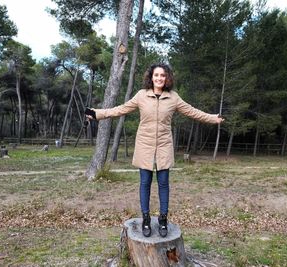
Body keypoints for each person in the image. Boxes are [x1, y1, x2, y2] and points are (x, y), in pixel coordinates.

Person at [86, 62, 224, 238]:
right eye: (156, 75)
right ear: (151, 77)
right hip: (144, 144)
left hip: (164, 145)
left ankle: (163, 220)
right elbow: (121, 109)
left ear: (167, 78)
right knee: (145, 183)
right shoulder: (141, 95)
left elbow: (192, 112)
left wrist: (213, 118)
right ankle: (145, 219)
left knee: (164, 183)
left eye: (163, 75)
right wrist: (97, 113)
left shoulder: (173, 98)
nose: (159, 78)